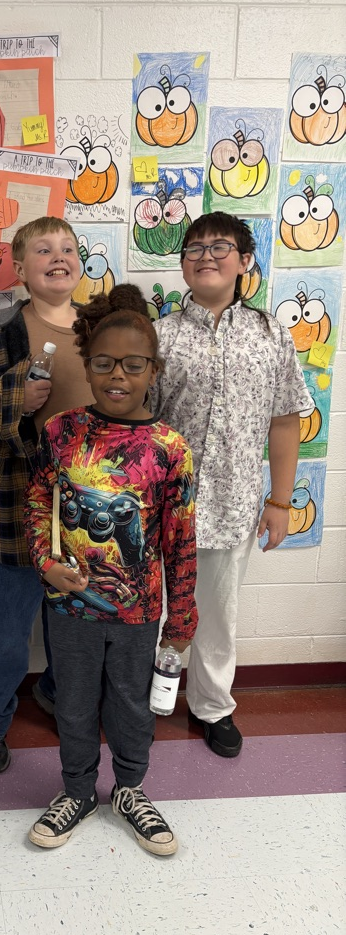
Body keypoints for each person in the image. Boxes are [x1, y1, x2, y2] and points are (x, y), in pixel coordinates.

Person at [24, 285, 197, 854]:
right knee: (71, 700)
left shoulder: (170, 448)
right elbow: (36, 506)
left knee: (130, 701)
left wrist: (181, 618)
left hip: (138, 610)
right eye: (103, 363)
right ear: (88, 366)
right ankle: (76, 789)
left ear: (154, 370)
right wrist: (46, 565)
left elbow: (179, 539)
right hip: (69, 606)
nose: (116, 375)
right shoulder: (62, 432)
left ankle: (129, 788)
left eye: (132, 364)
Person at [154, 213, 312, 759]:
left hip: (234, 502)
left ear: (246, 261)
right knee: (150, 609)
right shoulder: (160, 336)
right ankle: (139, 701)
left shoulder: (272, 334)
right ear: (181, 265)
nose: (205, 256)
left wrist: (279, 501)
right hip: (160, 507)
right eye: (193, 248)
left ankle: (212, 706)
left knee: (217, 611)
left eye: (219, 247)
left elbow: (285, 420)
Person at [0, 216, 96, 773]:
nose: (58, 257)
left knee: (78, 621)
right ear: (20, 269)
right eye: (43, 250)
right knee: (6, 628)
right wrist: (16, 397)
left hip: (88, 507)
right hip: (13, 503)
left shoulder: (103, 328)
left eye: (68, 248)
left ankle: (60, 695)